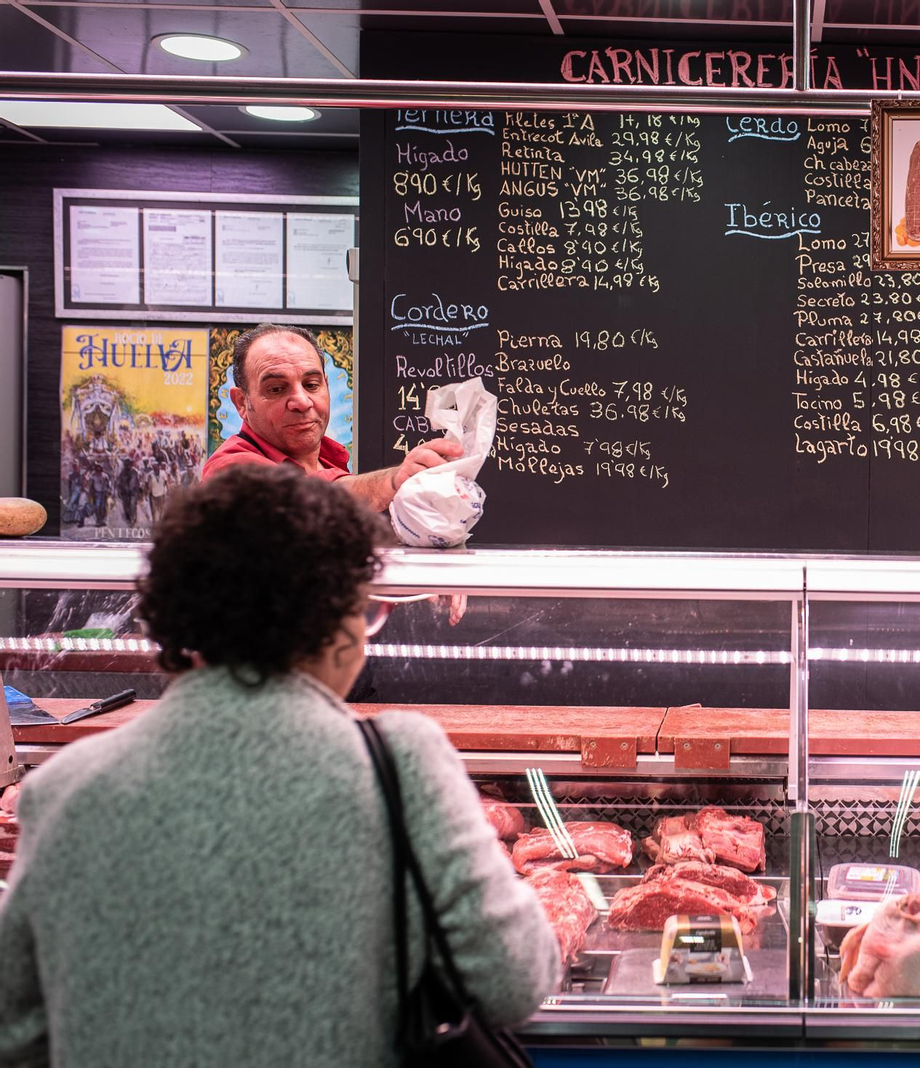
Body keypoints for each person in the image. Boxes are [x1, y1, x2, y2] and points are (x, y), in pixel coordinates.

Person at [0, 465, 559, 1067]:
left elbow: (17, 1032)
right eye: (365, 611)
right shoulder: (400, 765)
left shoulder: (63, 789)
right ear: (338, 623)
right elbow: (516, 982)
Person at [201, 323, 463, 510]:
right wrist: (395, 479)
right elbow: (307, 500)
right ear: (241, 403)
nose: (302, 402)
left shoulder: (332, 463)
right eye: (276, 389)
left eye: (312, 385)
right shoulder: (228, 470)